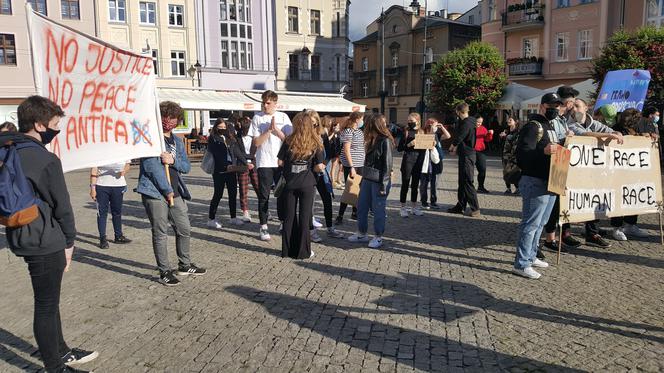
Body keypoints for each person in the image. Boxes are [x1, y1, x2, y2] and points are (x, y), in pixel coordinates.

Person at [2, 96, 98, 372]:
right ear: (39, 124)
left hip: (21, 234)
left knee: (49, 299)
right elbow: (63, 207)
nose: (58, 130)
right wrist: (70, 241)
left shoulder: (9, 150)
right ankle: (54, 367)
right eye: (55, 124)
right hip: (46, 240)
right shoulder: (44, 159)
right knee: (45, 306)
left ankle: (62, 351)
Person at [137, 101, 206, 286]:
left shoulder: (176, 140)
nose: (169, 121)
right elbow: (151, 167)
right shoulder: (151, 139)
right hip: (155, 193)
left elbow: (186, 166)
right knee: (160, 233)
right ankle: (164, 271)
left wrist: (172, 159)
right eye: (166, 117)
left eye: (173, 118)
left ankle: (184, 264)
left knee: (184, 229)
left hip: (176, 192)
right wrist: (166, 190)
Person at [513, 93, 563, 279]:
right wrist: (543, 151)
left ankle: (531, 256)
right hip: (534, 180)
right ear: (542, 106)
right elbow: (523, 154)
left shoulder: (550, 126)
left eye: (558, 106)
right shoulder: (533, 126)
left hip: (549, 180)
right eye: (552, 105)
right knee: (531, 223)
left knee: (541, 223)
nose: (555, 109)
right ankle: (521, 263)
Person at [278, 111, 325, 259]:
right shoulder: (315, 141)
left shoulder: (288, 140)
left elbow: (280, 162)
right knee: (305, 218)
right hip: (307, 183)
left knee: (289, 217)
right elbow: (319, 166)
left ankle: (287, 251)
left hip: (290, 183)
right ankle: (303, 252)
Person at [248, 90, 293, 241]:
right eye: (263, 102)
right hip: (264, 162)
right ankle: (263, 226)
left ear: (275, 103)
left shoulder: (283, 117)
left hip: (281, 162)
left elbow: (289, 141)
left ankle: (282, 222)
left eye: (268, 103)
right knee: (264, 196)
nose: (265, 105)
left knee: (282, 194)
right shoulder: (257, 118)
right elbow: (256, 143)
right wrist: (268, 130)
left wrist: (277, 130)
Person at [348, 113, 394, 248]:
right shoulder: (371, 139)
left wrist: (383, 184)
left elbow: (387, 164)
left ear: (372, 125)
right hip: (367, 178)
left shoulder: (384, 140)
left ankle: (378, 236)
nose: (364, 126)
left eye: (366, 123)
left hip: (379, 180)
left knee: (378, 209)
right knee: (362, 206)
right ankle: (362, 233)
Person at [609, 108, 650, 240]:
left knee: (633, 197)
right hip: (618, 171)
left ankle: (631, 224)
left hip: (634, 171)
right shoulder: (615, 129)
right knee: (619, 198)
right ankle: (616, 227)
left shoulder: (636, 130)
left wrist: (646, 137)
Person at [207, 118, 249, 228]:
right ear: (216, 127)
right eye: (219, 127)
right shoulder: (213, 138)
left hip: (231, 169)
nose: (222, 129)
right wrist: (226, 166)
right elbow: (217, 155)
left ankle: (233, 217)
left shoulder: (229, 138)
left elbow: (237, 152)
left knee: (232, 193)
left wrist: (246, 162)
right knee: (218, 194)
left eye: (224, 127)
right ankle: (211, 218)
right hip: (219, 170)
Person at [311, 114, 344, 241]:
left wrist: (324, 165)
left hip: (321, 172)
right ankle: (311, 230)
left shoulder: (322, 134)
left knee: (327, 199)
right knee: (310, 202)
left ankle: (330, 228)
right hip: (309, 173)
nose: (313, 126)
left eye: (315, 123)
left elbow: (328, 152)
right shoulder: (305, 137)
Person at [448, 102, 481, 217]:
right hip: (465, 154)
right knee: (462, 181)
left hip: (468, 155)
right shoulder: (468, 121)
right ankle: (460, 206)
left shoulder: (467, 123)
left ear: (458, 112)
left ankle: (475, 208)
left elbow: (461, 136)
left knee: (467, 181)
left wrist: (453, 146)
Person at [90, 162, 132, 249]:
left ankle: (118, 236)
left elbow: (128, 164)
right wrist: (93, 188)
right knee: (101, 213)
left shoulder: (122, 150)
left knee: (117, 212)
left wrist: (124, 171)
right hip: (102, 186)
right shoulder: (99, 151)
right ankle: (103, 239)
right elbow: (94, 170)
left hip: (119, 185)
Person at [335, 111, 365, 225]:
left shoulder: (359, 132)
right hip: (352, 165)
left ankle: (355, 212)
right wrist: (351, 166)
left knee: (356, 189)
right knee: (349, 189)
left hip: (360, 163)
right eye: (362, 118)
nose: (363, 121)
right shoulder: (348, 131)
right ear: (357, 119)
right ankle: (340, 215)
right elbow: (346, 150)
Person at [397, 113, 426, 217]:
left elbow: (426, 147)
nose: (409, 122)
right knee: (405, 184)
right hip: (408, 160)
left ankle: (414, 207)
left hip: (419, 160)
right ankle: (403, 208)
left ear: (417, 120)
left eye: (411, 120)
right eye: (408, 120)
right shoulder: (406, 131)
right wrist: (409, 144)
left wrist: (431, 144)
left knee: (415, 185)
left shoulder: (422, 131)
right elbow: (399, 148)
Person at [419, 118, 450, 209]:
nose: (435, 127)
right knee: (424, 182)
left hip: (437, 161)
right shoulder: (422, 132)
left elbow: (448, 136)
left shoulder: (437, 134)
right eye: (434, 125)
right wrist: (432, 131)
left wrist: (442, 128)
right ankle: (424, 201)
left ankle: (433, 201)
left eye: (436, 125)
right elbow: (425, 143)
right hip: (426, 161)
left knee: (434, 183)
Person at [237, 117, 260, 222]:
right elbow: (237, 152)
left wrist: (251, 161)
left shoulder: (255, 137)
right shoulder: (237, 137)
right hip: (242, 165)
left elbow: (257, 150)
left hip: (254, 165)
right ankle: (245, 211)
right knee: (243, 189)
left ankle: (264, 210)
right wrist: (246, 162)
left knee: (259, 187)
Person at [500, 117, 520, 194]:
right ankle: (508, 188)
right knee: (505, 171)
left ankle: (517, 188)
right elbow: (502, 144)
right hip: (504, 155)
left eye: (510, 120)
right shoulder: (506, 130)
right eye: (508, 119)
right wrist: (502, 137)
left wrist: (513, 155)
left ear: (516, 122)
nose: (508, 121)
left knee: (514, 171)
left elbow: (516, 144)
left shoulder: (517, 132)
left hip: (513, 155)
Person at [474, 115, 494, 194]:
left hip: (480, 151)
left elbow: (487, 139)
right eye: (478, 122)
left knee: (482, 169)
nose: (479, 124)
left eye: (480, 122)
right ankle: (468, 187)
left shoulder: (483, 128)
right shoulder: (470, 128)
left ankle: (480, 186)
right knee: (469, 170)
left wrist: (490, 134)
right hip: (471, 151)